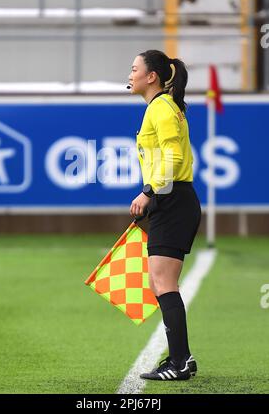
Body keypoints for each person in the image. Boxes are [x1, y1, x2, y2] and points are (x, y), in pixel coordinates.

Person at [128, 49, 201, 381]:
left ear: (151, 76)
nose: (130, 75)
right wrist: (153, 194)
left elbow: (171, 157)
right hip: (170, 200)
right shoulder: (160, 108)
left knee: (162, 282)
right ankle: (181, 359)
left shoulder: (161, 108)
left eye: (134, 69)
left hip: (173, 201)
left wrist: (148, 192)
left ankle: (180, 362)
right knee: (159, 283)